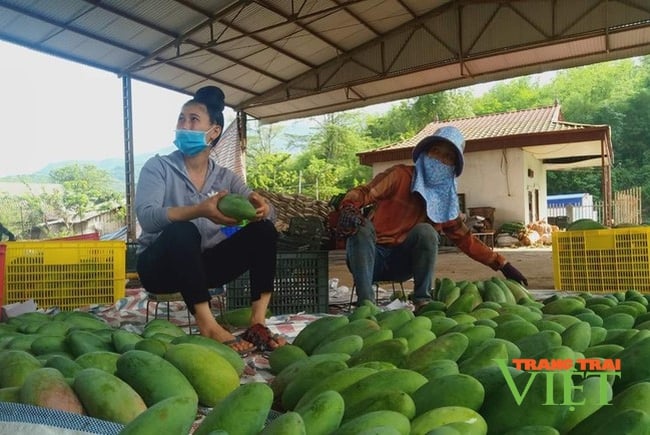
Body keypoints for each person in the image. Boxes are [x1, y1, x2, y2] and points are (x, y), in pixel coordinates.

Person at [135, 85, 286, 354]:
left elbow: (268, 212)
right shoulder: (158, 167)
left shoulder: (225, 177)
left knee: (264, 230)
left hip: (203, 270)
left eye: (193, 120)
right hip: (160, 269)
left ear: (214, 132)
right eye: (181, 118)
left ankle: (258, 322)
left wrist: (262, 207)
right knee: (183, 230)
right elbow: (147, 218)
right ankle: (208, 325)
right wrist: (199, 210)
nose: (184, 125)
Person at [336, 125, 528, 309]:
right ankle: (366, 304)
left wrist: (502, 263)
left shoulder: (444, 202)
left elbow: (465, 239)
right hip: (371, 257)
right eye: (436, 152)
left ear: (453, 167)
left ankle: (422, 301)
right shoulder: (400, 176)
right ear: (425, 153)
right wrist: (349, 207)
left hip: (403, 264)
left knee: (426, 231)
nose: (440, 160)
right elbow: (366, 192)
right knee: (361, 227)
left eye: (448, 157)